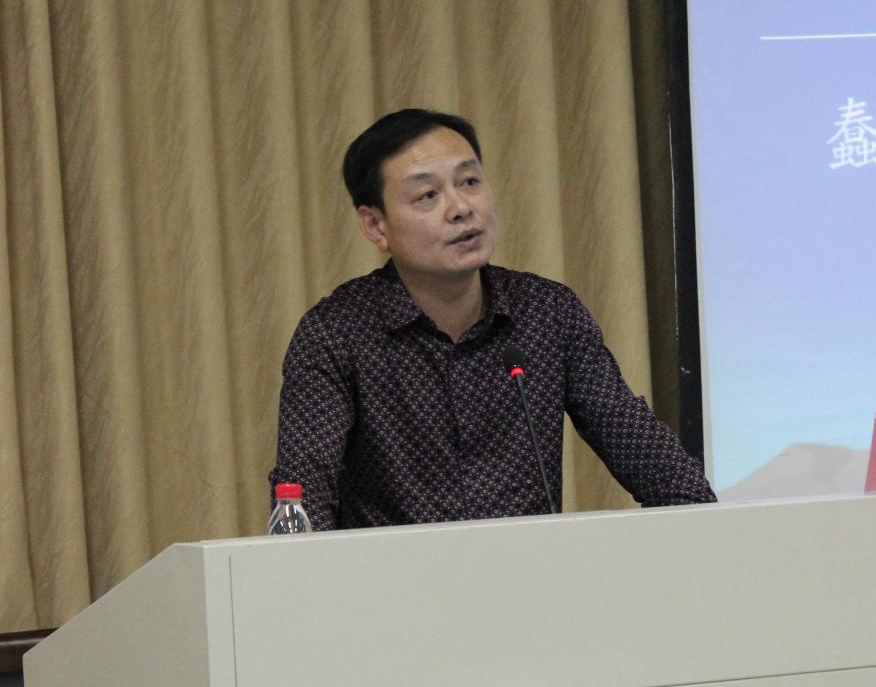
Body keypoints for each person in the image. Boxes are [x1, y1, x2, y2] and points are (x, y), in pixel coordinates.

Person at [269, 109, 715, 530]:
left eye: (469, 181)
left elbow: (665, 475)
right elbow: (302, 500)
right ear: (376, 226)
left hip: (533, 577)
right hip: (391, 582)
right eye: (427, 196)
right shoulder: (336, 333)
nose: (460, 208)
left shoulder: (547, 313)